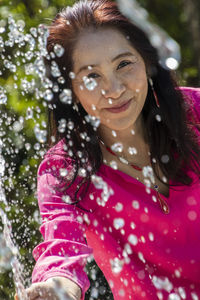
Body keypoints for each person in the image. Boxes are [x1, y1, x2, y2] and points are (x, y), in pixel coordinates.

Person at [16, 0, 200, 299]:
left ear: (148, 63)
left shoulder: (196, 114)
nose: (114, 89)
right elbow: (61, 250)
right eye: (91, 77)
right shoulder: (66, 170)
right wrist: (55, 289)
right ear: (70, 89)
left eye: (124, 64)